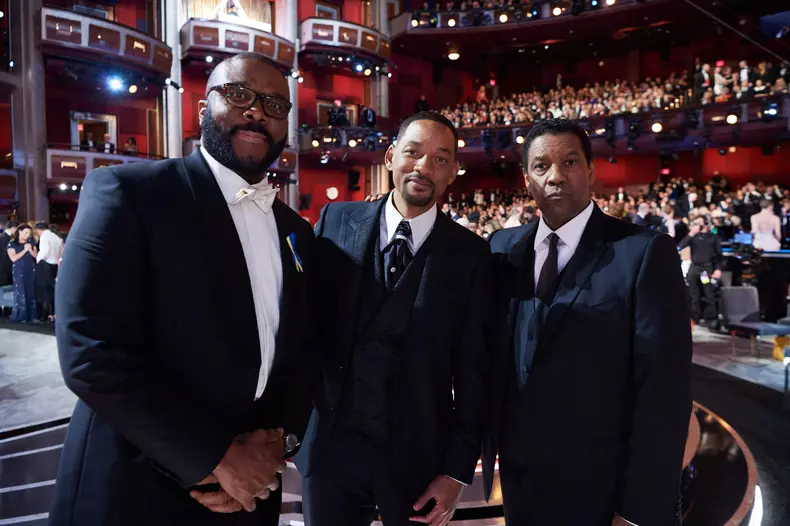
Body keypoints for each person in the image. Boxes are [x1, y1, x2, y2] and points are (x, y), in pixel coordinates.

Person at [51, 52, 318, 526]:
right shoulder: (130, 193)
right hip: (136, 489)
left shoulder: (296, 230)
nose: (257, 111)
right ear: (202, 109)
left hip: (252, 492)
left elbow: (303, 355)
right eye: (239, 95)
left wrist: (280, 445)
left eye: (276, 105)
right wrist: (216, 458)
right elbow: (90, 353)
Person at [482, 119, 692, 526]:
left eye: (570, 162)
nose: (556, 175)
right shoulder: (501, 248)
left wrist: (638, 510)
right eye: (541, 166)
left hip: (604, 487)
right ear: (527, 180)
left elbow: (664, 394)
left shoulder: (643, 252)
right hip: (520, 481)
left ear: (592, 171)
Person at [296, 112, 491, 526]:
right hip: (331, 451)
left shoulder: (472, 256)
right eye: (413, 153)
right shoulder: (334, 221)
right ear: (389, 157)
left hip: (418, 456)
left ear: (454, 172)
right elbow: (301, 330)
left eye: (440, 159)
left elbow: (475, 375)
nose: (424, 167)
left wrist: (457, 471)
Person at [679, 216, 722, 328]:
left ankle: (710, 318)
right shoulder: (694, 237)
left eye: (699, 224)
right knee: (693, 294)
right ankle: (694, 317)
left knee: (708, 294)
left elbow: (718, 256)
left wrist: (718, 268)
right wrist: (691, 233)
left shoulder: (713, 237)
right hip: (694, 267)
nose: (696, 226)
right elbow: (682, 245)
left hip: (705, 269)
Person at [6, 223, 38, 323]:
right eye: (25, 232)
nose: (27, 235)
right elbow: (13, 258)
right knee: (20, 292)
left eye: (29, 233)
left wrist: (30, 250)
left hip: (30, 269)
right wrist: (25, 250)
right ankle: (20, 316)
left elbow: (36, 256)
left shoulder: (31, 242)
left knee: (31, 292)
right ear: (19, 232)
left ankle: (32, 316)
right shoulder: (12, 243)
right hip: (19, 271)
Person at [34, 221, 64, 322]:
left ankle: (45, 314)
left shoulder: (44, 236)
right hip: (54, 265)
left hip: (45, 265)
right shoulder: (57, 237)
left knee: (43, 290)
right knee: (52, 289)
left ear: (38, 230)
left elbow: (45, 250)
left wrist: (39, 258)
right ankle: (54, 313)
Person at [0, 220, 18, 286]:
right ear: (13, 228)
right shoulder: (5, 238)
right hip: (5, 269)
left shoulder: (4, 236)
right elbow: (7, 253)